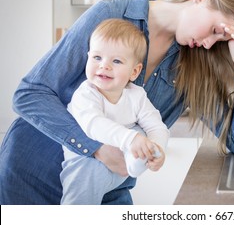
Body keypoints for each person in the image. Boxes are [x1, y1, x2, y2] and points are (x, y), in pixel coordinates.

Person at [0, 0, 234, 205]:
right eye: (215, 30)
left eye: (219, 40)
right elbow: (29, 95)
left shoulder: (195, 62)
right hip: (31, 176)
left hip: (107, 192)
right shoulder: (111, 15)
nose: (210, 44)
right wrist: (97, 148)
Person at [60, 18, 169, 204]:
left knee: (141, 131)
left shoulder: (136, 95)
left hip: (120, 164)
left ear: (134, 72)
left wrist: (157, 149)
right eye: (97, 58)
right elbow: (93, 125)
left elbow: (157, 126)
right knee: (79, 203)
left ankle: (136, 160)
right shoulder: (86, 94)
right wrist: (131, 140)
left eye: (116, 61)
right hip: (86, 161)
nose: (104, 66)